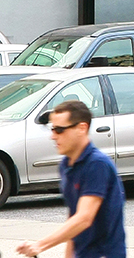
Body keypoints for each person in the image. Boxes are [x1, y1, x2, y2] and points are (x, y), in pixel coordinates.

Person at [17, 99, 126, 258]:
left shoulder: (97, 164)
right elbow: (74, 219)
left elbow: (84, 218)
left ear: (82, 128)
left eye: (59, 130)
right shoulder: (66, 165)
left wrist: (40, 245)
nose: (53, 136)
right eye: (52, 129)